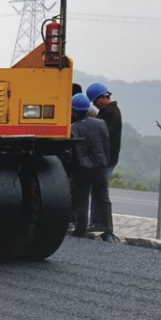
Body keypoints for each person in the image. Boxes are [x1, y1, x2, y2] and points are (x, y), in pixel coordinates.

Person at [70, 91, 116, 242]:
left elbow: (73, 152)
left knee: (82, 199)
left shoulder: (73, 128)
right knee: (103, 199)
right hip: (101, 167)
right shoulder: (101, 123)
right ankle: (108, 232)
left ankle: (80, 230)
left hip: (83, 170)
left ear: (75, 111)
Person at [86, 82, 123, 173]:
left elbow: (102, 135)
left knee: (99, 186)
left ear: (103, 97)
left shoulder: (110, 113)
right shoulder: (107, 111)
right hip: (105, 158)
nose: (94, 104)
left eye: (94, 101)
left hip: (106, 159)